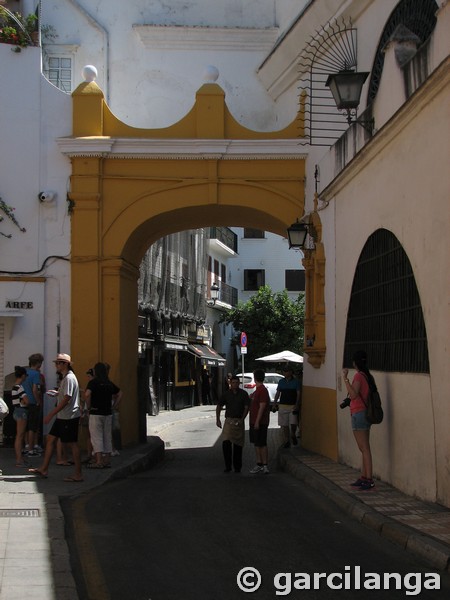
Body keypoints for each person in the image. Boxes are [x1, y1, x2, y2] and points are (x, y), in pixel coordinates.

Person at [29, 354, 82, 482]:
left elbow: (66, 400)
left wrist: (51, 413)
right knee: (51, 440)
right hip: (62, 416)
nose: (56, 365)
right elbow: (65, 395)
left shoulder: (69, 378)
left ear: (65, 364)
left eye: (58, 363)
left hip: (68, 417)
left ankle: (78, 474)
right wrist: (57, 394)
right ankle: (44, 468)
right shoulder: (66, 378)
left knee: (72, 444)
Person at [342, 350, 375, 491]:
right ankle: (364, 476)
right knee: (364, 448)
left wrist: (345, 379)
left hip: (359, 413)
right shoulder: (367, 376)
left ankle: (369, 479)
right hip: (364, 413)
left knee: (364, 448)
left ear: (355, 363)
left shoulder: (358, 376)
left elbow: (354, 395)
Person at [84, 362, 122, 469]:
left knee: (96, 437)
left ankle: (99, 461)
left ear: (96, 371)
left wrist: (88, 406)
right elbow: (120, 393)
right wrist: (114, 406)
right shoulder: (109, 383)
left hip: (96, 412)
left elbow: (87, 394)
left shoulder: (93, 382)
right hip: (108, 413)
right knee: (107, 437)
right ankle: (107, 460)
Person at [216, 374, 250, 473]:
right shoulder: (226, 394)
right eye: (233, 383)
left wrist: (242, 419)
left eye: (236, 383)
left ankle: (237, 467)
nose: (235, 384)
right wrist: (218, 419)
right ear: (230, 383)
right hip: (229, 421)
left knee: (238, 445)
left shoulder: (243, 394)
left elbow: (246, 407)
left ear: (239, 383)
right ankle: (228, 466)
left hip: (238, 421)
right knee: (226, 442)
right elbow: (219, 406)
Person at [274, 364, 302, 448]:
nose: (284, 372)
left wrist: (297, 404)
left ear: (290, 372)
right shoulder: (281, 381)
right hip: (283, 405)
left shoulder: (296, 382)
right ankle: (287, 440)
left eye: (286, 371)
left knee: (293, 423)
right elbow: (278, 393)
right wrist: (275, 403)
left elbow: (298, 394)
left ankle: (292, 433)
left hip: (292, 405)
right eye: (284, 371)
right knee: (284, 424)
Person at [248, 368, 271, 474]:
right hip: (256, 421)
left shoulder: (262, 390)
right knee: (257, 443)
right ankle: (260, 463)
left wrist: (257, 421)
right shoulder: (258, 390)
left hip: (259, 422)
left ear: (255, 377)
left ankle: (263, 464)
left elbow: (262, 407)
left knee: (261, 443)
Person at [22, 353, 44, 456]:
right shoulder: (36, 374)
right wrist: (38, 400)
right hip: (32, 402)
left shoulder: (25, 373)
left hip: (23, 402)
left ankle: (27, 445)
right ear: (38, 363)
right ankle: (31, 449)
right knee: (32, 427)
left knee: (25, 426)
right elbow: (35, 389)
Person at [11, 366, 29, 467]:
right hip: (21, 411)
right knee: (20, 436)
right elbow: (27, 401)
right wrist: (25, 403)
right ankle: (19, 460)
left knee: (19, 435)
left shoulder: (14, 386)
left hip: (16, 411)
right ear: (23, 376)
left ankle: (20, 459)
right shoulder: (20, 387)